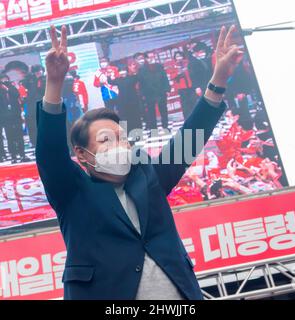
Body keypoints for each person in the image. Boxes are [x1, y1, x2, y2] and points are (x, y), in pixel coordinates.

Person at [36, 25, 243, 300]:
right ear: (83, 155)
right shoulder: (72, 194)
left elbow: (189, 140)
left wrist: (218, 79)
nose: (119, 146)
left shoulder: (148, 177)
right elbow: (50, 154)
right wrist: (53, 83)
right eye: (106, 140)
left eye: (122, 138)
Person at [134, 52, 171, 131]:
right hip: (149, 93)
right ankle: (154, 128)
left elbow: (165, 78)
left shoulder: (159, 66)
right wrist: (142, 94)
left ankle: (165, 126)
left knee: (163, 110)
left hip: (161, 92)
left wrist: (167, 89)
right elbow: (141, 83)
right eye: (149, 57)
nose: (151, 58)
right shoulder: (141, 69)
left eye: (153, 56)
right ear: (146, 59)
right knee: (151, 112)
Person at [0, 74, 30, 163]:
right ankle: (13, 156)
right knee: (10, 137)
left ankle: (22, 154)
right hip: (5, 118)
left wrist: (8, 89)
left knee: (19, 136)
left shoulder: (12, 88)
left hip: (16, 116)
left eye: (6, 80)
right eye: (2, 81)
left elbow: (17, 95)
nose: (5, 82)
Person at [110, 65, 142, 135]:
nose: (122, 72)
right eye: (120, 71)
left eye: (124, 70)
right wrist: (110, 75)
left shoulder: (132, 78)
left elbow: (138, 77)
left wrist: (134, 72)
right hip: (122, 102)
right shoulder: (118, 80)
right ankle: (126, 132)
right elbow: (110, 81)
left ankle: (138, 130)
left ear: (127, 71)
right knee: (124, 117)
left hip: (133, 101)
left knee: (135, 116)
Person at [21, 65, 46, 148]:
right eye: (36, 71)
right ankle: (36, 143)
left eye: (39, 71)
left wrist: (40, 79)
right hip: (31, 105)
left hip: (43, 104)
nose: (38, 73)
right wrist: (32, 75)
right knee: (33, 126)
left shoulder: (45, 79)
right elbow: (24, 83)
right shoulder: (30, 79)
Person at [172, 51, 197, 120]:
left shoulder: (187, 63)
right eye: (177, 56)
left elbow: (193, 73)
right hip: (182, 88)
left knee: (194, 102)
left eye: (180, 56)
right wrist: (178, 73)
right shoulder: (174, 66)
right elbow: (173, 76)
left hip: (191, 86)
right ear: (175, 58)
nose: (179, 58)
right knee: (185, 105)